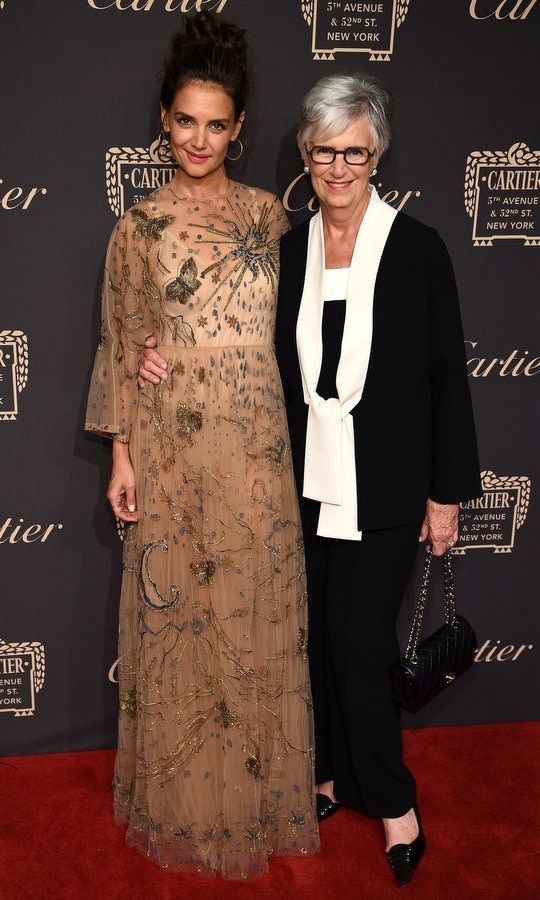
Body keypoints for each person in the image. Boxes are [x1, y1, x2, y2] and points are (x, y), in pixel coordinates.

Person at [139, 72, 482, 887]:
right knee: (318, 642)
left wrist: (445, 496)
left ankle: (393, 801)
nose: (338, 168)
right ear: (305, 150)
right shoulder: (285, 250)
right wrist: (154, 354)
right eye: (325, 150)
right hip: (298, 483)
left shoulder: (418, 248)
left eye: (355, 153)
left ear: (377, 155)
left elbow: (447, 379)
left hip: (391, 489)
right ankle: (331, 777)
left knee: (360, 644)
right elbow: (221, 329)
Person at [85, 12, 319, 881]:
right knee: (181, 623)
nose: (199, 138)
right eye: (186, 120)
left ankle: (253, 799)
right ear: (163, 117)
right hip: (173, 446)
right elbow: (121, 342)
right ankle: (184, 801)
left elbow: (306, 335)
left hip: (258, 447)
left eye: (217, 124)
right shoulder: (137, 229)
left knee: (251, 623)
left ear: (241, 128)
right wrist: (121, 456)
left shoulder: (271, 219)